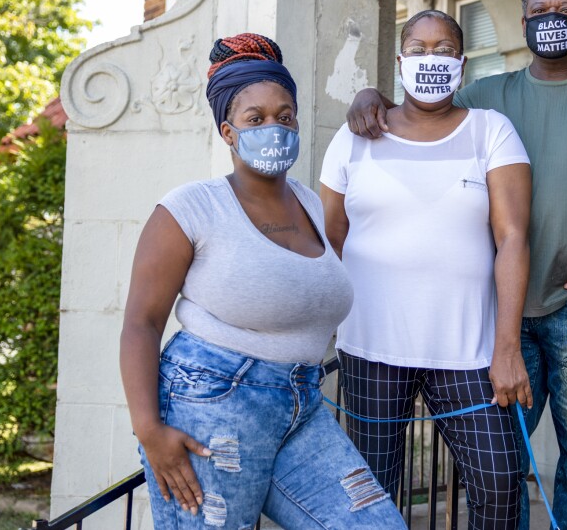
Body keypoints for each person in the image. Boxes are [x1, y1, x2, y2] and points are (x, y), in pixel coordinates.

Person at [346, 0, 567, 530]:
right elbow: (426, 102)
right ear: (523, 20)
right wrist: (371, 93)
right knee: (499, 465)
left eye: (565, 11)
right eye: (540, 11)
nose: (552, 20)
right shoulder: (487, 95)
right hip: (501, 312)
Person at [119, 33, 406, 530]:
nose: (274, 127)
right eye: (256, 119)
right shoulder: (190, 208)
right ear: (228, 132)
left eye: (284, 116)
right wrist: (148, 430)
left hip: (302, 403)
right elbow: (141, 323)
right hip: (211, 404)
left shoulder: (310, 203)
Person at [320, 9, 533, 530]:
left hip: (469, 353)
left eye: (443, 49)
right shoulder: (354, 139)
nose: (430, 60)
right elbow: (332, 238)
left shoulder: (492, 131)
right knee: (374, 496)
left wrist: (507, 350)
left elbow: (512, 238)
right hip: (371, 348)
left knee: (500, 485)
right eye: (417, 50)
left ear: (461, 63)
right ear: (399, 61)